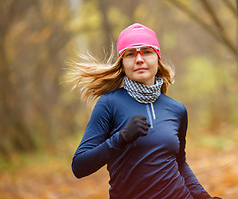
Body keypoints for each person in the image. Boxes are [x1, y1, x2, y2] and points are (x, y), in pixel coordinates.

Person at [70, 23, 221, 199]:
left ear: (158, 58)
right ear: (122, 63)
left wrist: (203, 196)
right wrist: (120, 138)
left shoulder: (176, 109)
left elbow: (180, 164)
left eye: (146, 51)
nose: (139, 59)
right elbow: (79, 167)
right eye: (130, 54)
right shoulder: (109, 104)